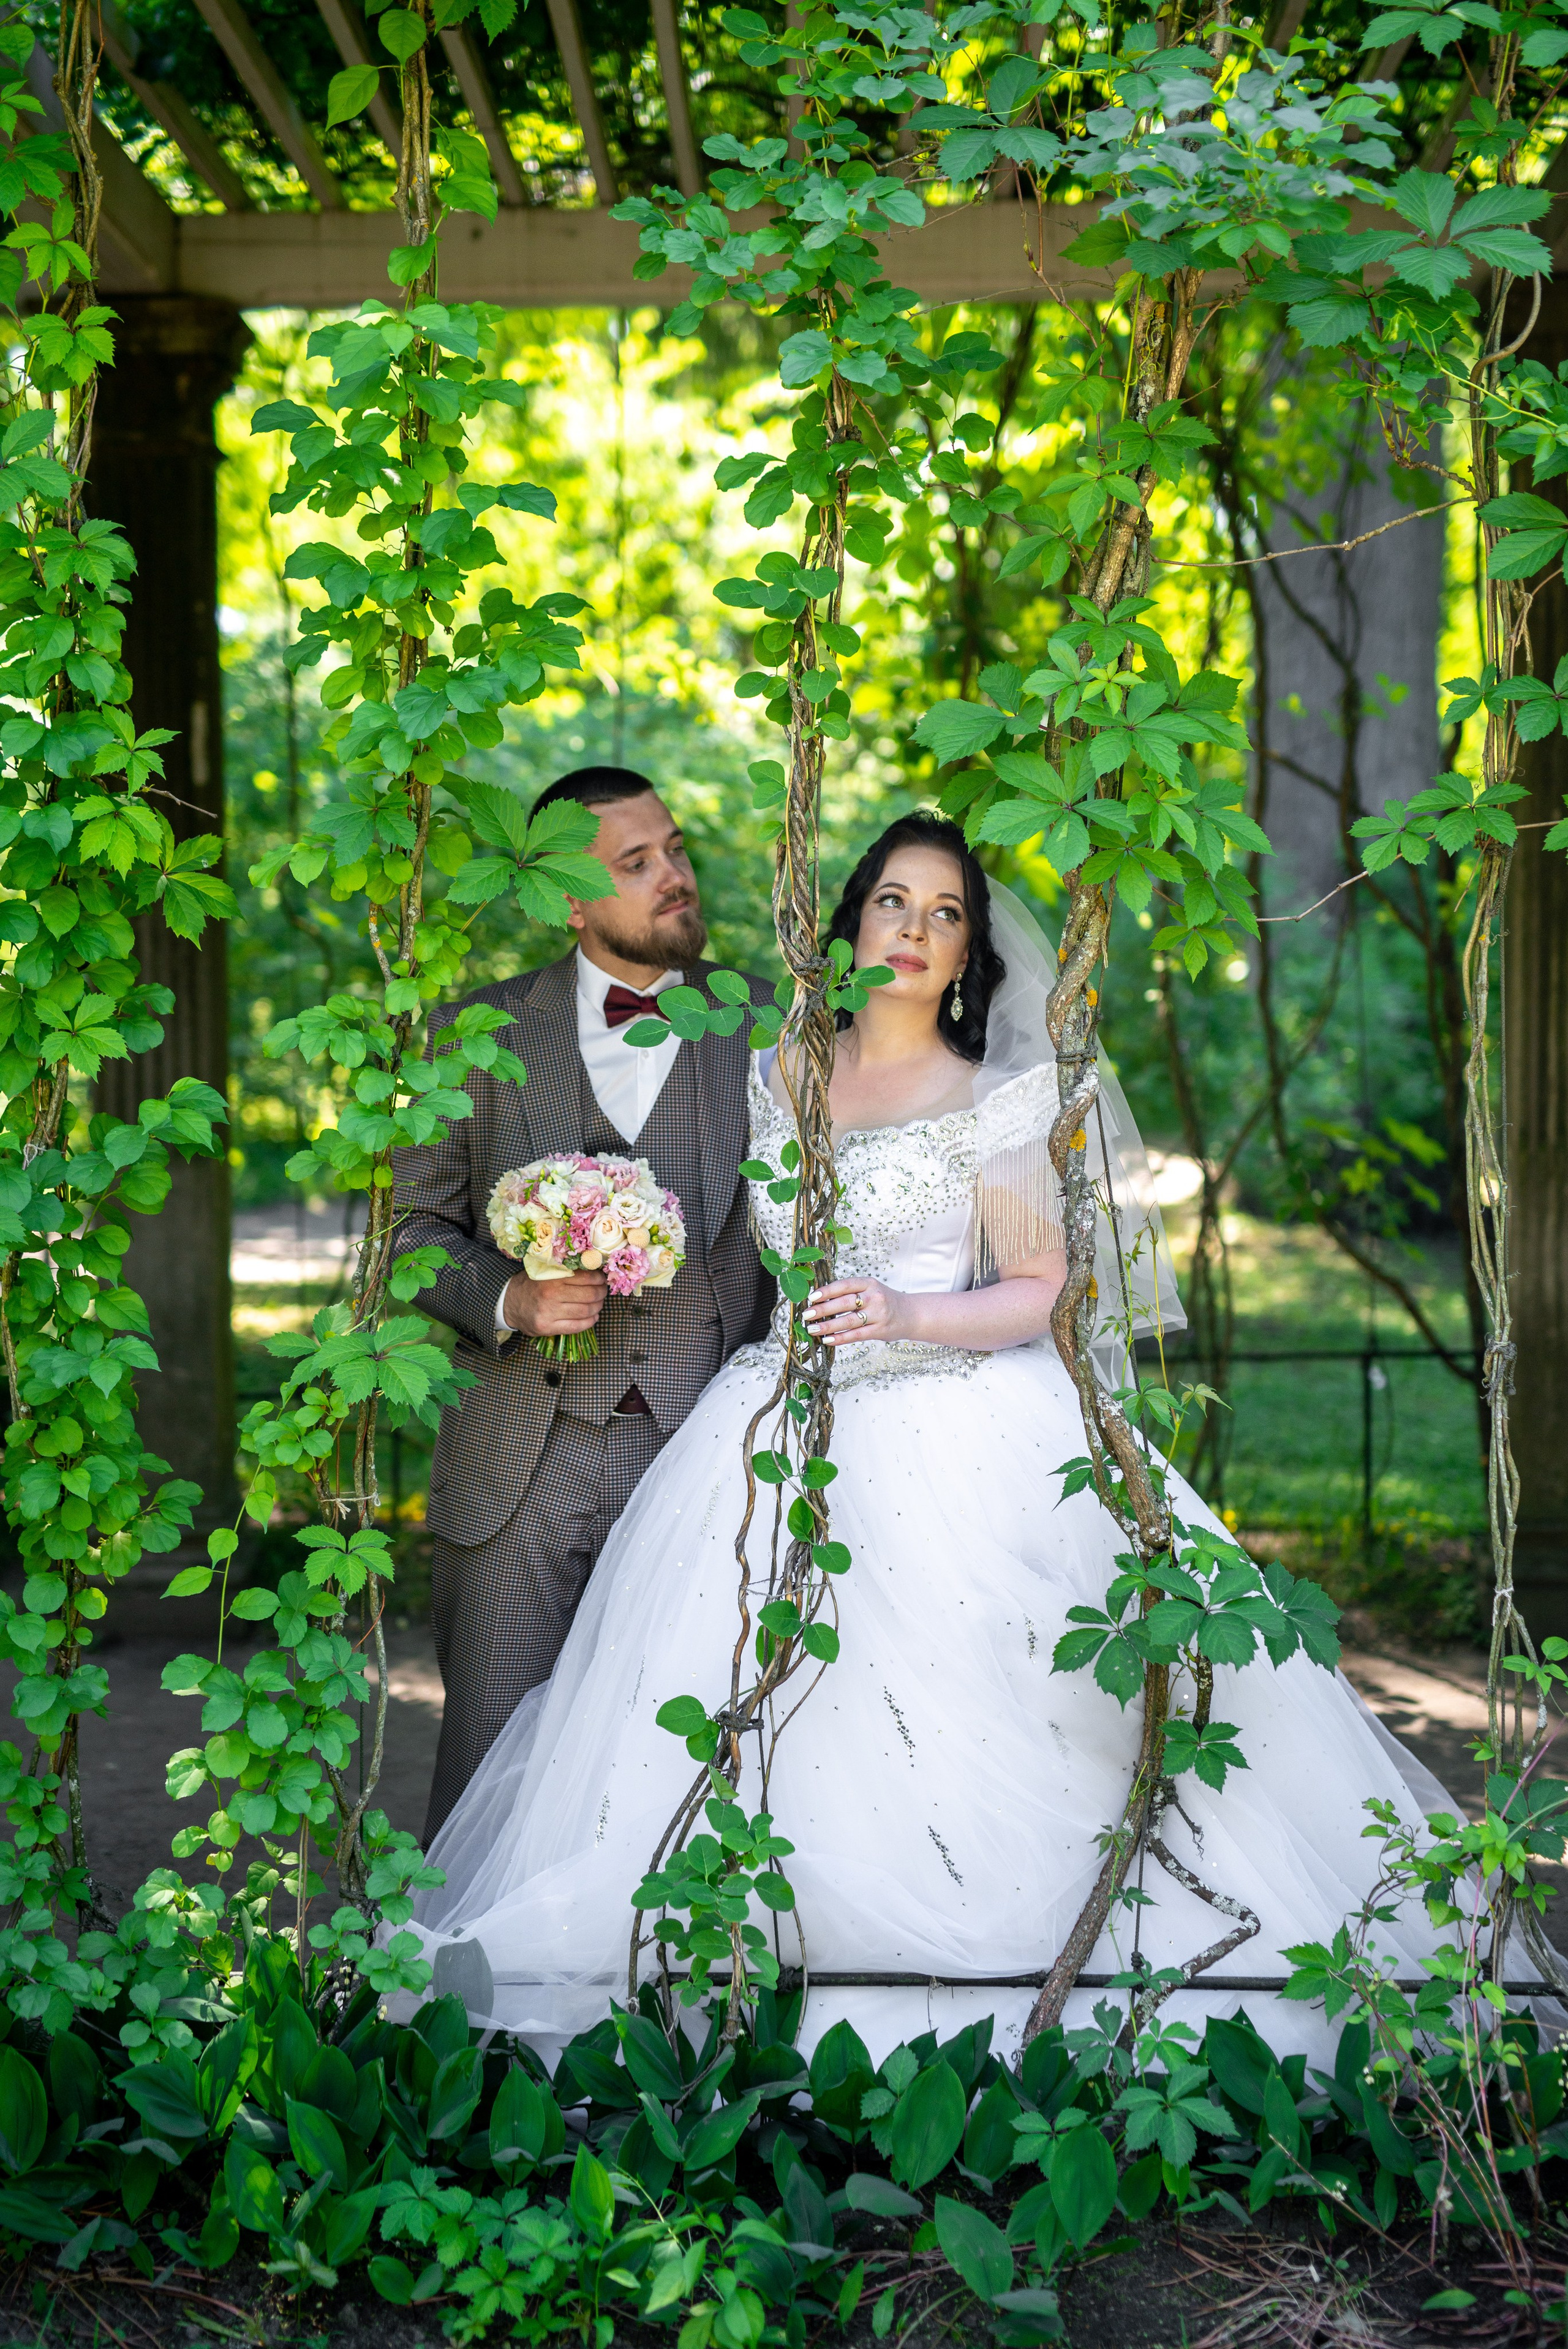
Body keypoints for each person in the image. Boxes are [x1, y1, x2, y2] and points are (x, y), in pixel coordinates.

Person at [404, 812, 1453, 2067]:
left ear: (967, 955)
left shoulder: (993, 1099)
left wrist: (905, 1310)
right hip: (771, 1419)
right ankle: (725, 1973)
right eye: (891, 902)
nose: (911, 929)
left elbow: (1038, 1285)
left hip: (954, 1416)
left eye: (943, 913)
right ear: (850, 922)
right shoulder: (776, 1072)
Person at [391, 767, 774, 1841]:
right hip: (518, 1454)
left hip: (702, 1456)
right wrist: (505, 1294)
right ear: (567, 895)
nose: (675, 880)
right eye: (636, 864)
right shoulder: (476, 1032)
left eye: (677, 851)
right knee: (490, 1757)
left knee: (682, 1763)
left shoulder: (757, 1029)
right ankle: (468, 2003)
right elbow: (410, 1235)